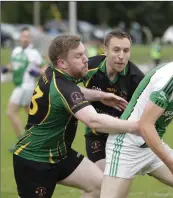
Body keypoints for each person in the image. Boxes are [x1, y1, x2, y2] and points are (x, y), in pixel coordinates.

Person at [101, 26, 173, 198]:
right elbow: (145, 125)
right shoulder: (172, 78)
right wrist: (171, 163)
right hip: (127, 145)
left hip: (152, 145)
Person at [13, 35, 139, 198]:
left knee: (101, 186)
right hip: (35, 160)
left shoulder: (54, 73)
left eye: (84, 53)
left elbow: (72, 93)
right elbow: (94, 121)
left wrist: (99, 95)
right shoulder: (63, 87)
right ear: (62, 63)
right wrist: (136, 126)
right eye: (78, 56)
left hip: (61, 155)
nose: (86, 59)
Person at [82, 30, 144, 171]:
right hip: (96, 133)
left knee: (114, 182)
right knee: (100, 179)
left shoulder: (137, 79)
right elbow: (65, 88)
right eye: (116, 50)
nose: (121, 56)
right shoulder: (89, 67)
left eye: (126, 50)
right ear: (105, 49)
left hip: (122, 136)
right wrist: (99, 96)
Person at [1, 27, 46, 152]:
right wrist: (6, 68)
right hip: (19, 85)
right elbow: (13, 64)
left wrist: (37, 71)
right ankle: (39, 139)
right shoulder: (16, 50)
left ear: (30, 38)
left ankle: (23, 143)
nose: (25, 38)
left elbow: (45, 69)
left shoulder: (34, 53)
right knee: (30, 112)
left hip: (25, 86)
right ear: (20, 37)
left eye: (27, 36)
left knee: (11, 112)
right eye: (23, 36)